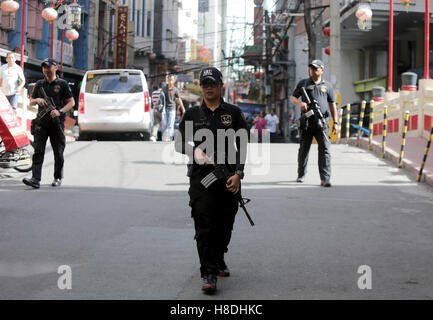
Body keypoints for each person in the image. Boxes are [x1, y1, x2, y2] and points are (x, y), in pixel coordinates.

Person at [175, 67, 248, 294]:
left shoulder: (234, 113)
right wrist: (194, 152)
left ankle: (218, 257)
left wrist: (238, 174)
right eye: (204, 84)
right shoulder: (193, 115)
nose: (208, 88)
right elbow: (179, 143)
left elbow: (243, 145)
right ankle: (208, 272)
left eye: (212, 84)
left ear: (220, 86)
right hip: (201, 180)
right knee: (205, 224)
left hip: (228, 178)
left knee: (225, 224)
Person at [22, 58, 75, 189]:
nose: (46, 70)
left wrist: (60, 111)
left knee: (58, 152)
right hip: (41, 123)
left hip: (56, 123)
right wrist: (38, 100)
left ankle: (57, 177)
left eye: (48, 67)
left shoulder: (62, 84)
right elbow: (31, 102)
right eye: (44, 67)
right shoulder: (39, 84)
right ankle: (35, 179)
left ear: (55, 68)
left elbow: (71, 103)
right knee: (38, 151)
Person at [290, 59, 339, 187]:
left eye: (315, 68)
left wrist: (336, 123)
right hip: (307, 122)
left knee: (325, 150)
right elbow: (293, 97)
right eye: (311, 68)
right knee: (304, 149)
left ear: (322, 70)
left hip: (322, 123)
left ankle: (325, 178)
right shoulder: (303, 83)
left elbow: (332, 105)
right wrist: (300, 103)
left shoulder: (327, 86)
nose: (312, 70)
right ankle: (301, 174)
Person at [163, 75, 185, 141]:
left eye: (172, 80)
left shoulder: (175, 90)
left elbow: (179, 99)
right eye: (169, 80)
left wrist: (183, 108)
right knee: (165, 123)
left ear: (174, 81)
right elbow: (161, 97)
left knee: (170, 124)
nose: (170, 81)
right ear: (167, 80)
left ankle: (169, 137)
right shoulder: (164, 88)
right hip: (165, 109)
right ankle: (166, 136)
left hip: (172, 109)